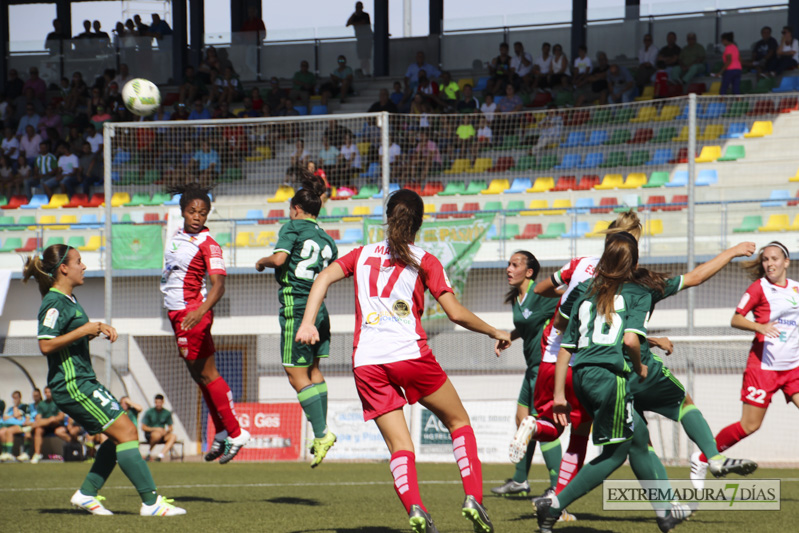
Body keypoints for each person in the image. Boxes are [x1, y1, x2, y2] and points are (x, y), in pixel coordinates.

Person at [296, 189, 510, 533]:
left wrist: (308, 322)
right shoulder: (425, 259)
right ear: (419, 223)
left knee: (400, 445)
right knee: (458, 421)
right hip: (410, 354)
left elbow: (322, 278)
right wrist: (493, 331)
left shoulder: (362, 254)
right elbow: (454, 312)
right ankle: (473, 499)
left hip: (366, 361)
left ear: (387, 217)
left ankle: (415, 508)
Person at [534, 232, 682, 533]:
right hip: (610, 380)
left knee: (638, 438)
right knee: (615, 455)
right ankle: (555, 506)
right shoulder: (636, 293)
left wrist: (560, 395)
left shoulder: (584, 290)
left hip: (581, 378)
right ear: (635, 262)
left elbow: (565, 345)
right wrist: (640, 367)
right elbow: (630, 339)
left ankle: (665, 513)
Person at [23, 244, 184, 515]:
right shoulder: (52, 302)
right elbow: (46, 345)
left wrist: (93, 330)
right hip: (72, 385)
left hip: (85, 381)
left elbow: (70, 335)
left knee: (121, 433)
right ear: (63, 268)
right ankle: (151, 503)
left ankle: (87, 493)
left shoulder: (69, 300)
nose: (83, 266)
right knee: (128, 432)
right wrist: (86, 329)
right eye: (78, 261)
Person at [691, 241, 799, 484]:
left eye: (774, 259)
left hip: (793, 369)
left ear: (786, 262)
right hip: (763, 369)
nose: (770, 263)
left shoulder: (796, 289)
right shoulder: (759, 288)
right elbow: (735, 319)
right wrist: (759, 326)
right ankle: (702, 457)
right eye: (766, 259)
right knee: (750, 425)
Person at [161, 183, 250, 464]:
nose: (197, 216)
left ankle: (236, 432)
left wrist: (200, 311)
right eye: (192, 211)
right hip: (178, 314)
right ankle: (222, 430)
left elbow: (219, 284)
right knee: (199, 376)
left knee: (208, 374)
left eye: (202, 212)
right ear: (183, 212)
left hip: (192, 314)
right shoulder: (177, 234)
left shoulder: (209, 245)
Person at [255, 172, 338, 467]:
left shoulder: (292, 227)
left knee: (295, 375)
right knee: (314, 371)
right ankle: (321, 434)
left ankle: (322, 432)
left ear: (295, 209)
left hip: (297, 307)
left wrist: (261, 262)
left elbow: (279, 260)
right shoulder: (328, 240)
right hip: (321, 310)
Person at [490, 252, 561, 499]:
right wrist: (510, 336)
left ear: (529, 272)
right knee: (522, 420)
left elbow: (570, 301)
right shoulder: (516, 298)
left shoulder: (542, 294)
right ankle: (520, 481)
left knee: (539, 426)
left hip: (545, 368)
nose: (508, 268)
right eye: (508, 264)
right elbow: (525, 325)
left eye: (515, 265)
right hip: (531, 368)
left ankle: (557, 488)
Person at [29, 386, 72, 464]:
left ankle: (74, 445)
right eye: (46, 392)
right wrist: (49, 420)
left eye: (49, 392)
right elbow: (38, 419)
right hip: (45, 426)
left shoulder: (58, 402)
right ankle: (37, 454)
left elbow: (60, 417)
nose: (47, 394)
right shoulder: (41, 404)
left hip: (56, 425)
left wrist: (50, 420)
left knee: (57, 429)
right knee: (38, 429)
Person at [141, 394, 178, 461]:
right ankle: (149, 452)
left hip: (162, 434)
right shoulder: (149, 412)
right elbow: (143, 427)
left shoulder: (167, 413)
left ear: (163, 402)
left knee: (173, 436)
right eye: (156, 402)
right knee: (157, 434)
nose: (158, 404)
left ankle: (160, 456)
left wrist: (166, 431)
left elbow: (170, 428)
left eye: (159, 402)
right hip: (151, 435)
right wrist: (156, 429)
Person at [0, 390, 29, 461]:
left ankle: (9, 453)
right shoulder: (10, 408)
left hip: (20, 426)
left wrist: (15, 407)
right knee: (1, 432)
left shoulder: (23, 406)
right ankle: (4, 452)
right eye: (13, 398)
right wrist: (13, 416)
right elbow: (5, 417)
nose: (14, 400)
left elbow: (17, 415)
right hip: (8, 425)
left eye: (16, 398)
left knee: (9, 431)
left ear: (20, 398)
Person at [347, 2, 373, 76]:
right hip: (360, 39)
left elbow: (363, 23)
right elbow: (347, 24)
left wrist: (354, 23)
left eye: (359, 7)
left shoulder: (365, 15)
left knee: (366, 57)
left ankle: (363, 71)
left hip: (367, 39)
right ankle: (365, 72)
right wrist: (353, 15)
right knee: (362, 57)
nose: (358, 9)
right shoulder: (354, 16)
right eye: (357, 7)